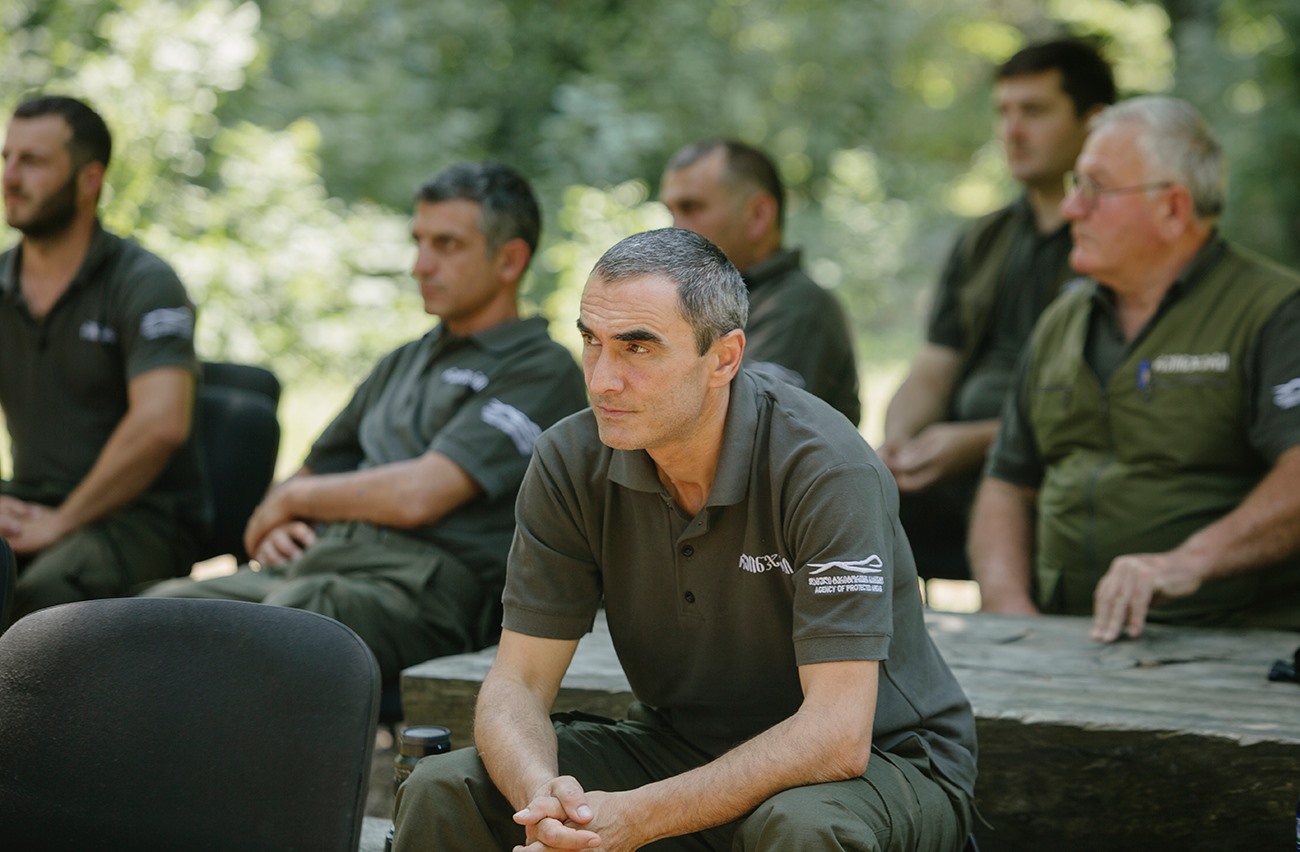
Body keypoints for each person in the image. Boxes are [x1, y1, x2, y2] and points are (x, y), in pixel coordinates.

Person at [391, 228, 976, 851]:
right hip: (678, 747)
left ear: (724, 358)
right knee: (444, 787)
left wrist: (636, 818)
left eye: (637, 348)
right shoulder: (569, 459)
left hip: (882, 763)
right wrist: (543, 801)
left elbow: (837, 736)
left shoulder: (825, 468)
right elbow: (518, 684)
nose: (602, 380)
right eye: (592, 342)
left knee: (802, 829)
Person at [145, 162, 588, 680]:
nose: (421, 265)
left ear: (510, 260)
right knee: (147, 615)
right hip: (321, 564)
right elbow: (311, 471)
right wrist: (280, 519)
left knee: (276, 627)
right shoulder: (404, 360)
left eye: (447, 245)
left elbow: (420, 493)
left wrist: (292, 500)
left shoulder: (541, 368)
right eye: (418, 242)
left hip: (422, 587)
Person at [970, 96, 1300, 643]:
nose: (1072, 208)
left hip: (1227, 640)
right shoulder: (1061, 319)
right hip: (1060, 639)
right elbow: (1007, 481)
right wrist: (1009, 607)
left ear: (1173, 209)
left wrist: (1187, 563)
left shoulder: (1275, 312)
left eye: (1094, 188)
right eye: (1075, 185)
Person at [880, 39, 1115, 580]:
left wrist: (979, 441)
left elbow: (1108, 404)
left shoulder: (1116, 239)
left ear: (1094, 122)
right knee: (850, 505)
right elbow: (934, 367)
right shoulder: (985, 239)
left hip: (1057, 466)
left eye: (1034, 111)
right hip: (954, 463)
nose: (1012, 130)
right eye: (1003, 112)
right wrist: (897, 443)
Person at [0, 95, 205, 619]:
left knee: (38, 607)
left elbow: (161, 424)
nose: (10, 177)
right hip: (31, 499)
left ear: (90, 180)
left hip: (140, 519)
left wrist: (60, 521)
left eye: (33, 161)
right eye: (6, 157)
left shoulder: (143, 282)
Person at [660, 139, 862, 425]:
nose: (674, 229)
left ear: (759, 215)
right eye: (672, 211)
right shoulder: (716, 298)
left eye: (691, 208)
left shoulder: (798, 306)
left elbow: (740, 429)